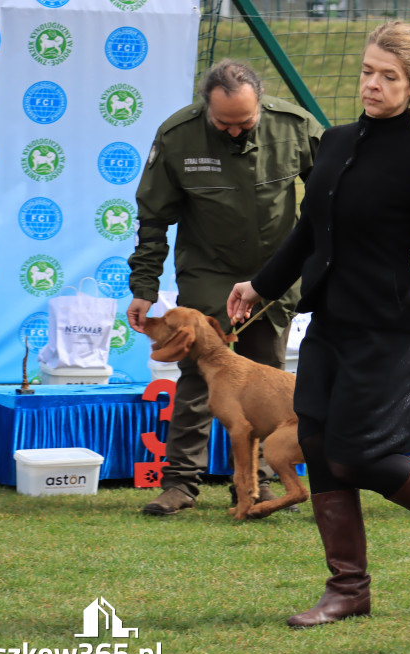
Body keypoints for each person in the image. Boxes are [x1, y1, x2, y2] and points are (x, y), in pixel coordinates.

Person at [227, 20, 410, 627]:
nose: (372, 84)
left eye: (388, 77)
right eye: (367, 71)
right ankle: (348, 591)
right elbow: (309, 233)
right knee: (316, 442)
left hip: (385, 336)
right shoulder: (333, 143)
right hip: (329, 327)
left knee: (357, 454)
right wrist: (258, 284)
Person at [127, 59, 323, 516]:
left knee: (266, 378)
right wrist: (145, 286)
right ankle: (179, 483)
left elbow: (331, 193)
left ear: (261, 104)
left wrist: (315, 257)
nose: (235, 132)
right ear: (205, 108)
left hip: (273, 272)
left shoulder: (296, 127)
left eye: (245, 122)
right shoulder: (177, 137)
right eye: (223, 123)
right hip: (209, 272)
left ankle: (252, 486)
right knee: (200, 377)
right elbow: (153, 220)